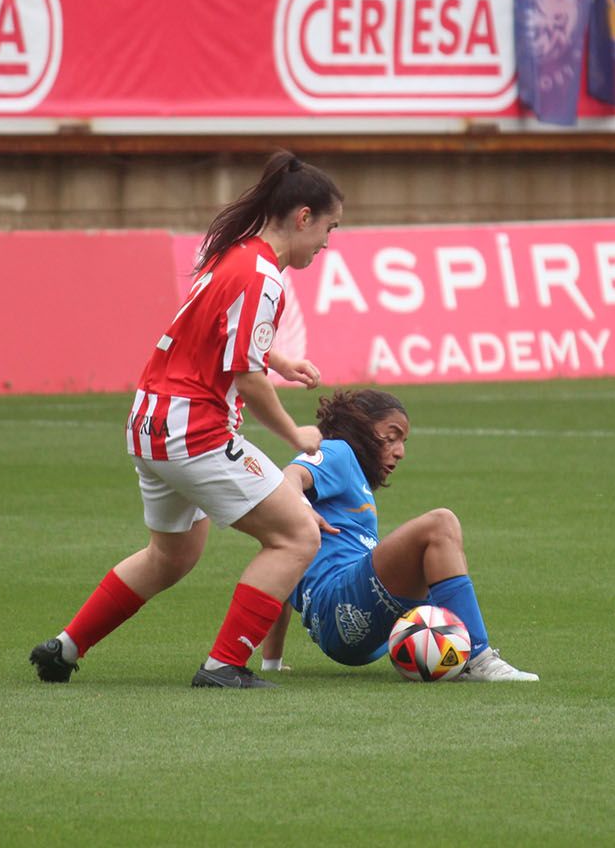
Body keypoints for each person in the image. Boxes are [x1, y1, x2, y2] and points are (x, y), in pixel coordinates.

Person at [29, 151, 345, 689]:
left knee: (172, 556)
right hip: (192, 430)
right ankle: (225, 665)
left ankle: (64, 647)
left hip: (148, 423)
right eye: (329, 229)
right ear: (303, 217)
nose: (326, 244)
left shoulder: (235, 253)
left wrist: (279, 360)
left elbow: (215, 337)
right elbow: (245, 380)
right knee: (296, 536)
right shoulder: (263, 278)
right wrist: (296, 435)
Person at [259, 389, 538, 682]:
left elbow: (281, 561)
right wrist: (303, 507)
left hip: (347, 632)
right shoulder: (337, 451)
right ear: (361, 428)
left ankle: (449, 656)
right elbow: (288, 476)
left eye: (403, 441)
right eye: (391, 437)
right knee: (440, 525)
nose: (400, 451)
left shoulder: (351, 481)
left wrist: (272, 662)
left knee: (435, 563)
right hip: (339, 605)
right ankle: (478, 658)